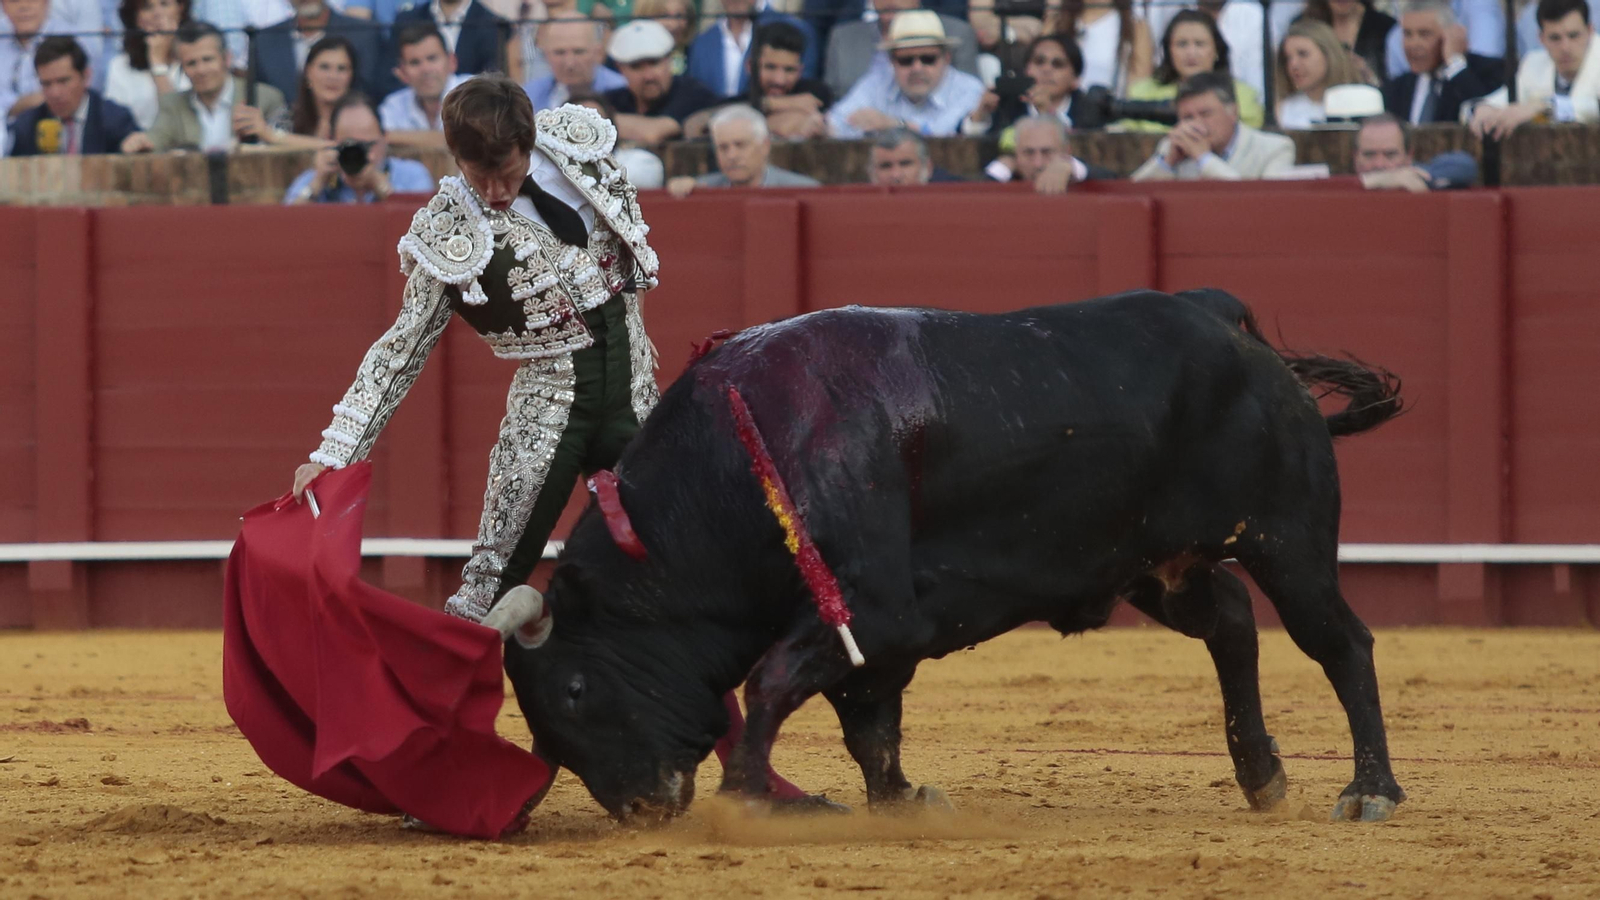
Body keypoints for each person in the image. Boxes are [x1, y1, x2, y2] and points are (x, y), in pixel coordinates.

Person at [289, 76, 815, 830]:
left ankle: (749, 770)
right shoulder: (446, 231)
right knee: (485, 593)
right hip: (548, 415)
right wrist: (336, 449)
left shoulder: (581, 148)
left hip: (636, 402)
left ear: (530, 143)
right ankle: (448, 779)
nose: (495, 192)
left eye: (505, 171)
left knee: (694, 579)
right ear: (454, 158)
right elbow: (399, 350)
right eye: (477, 175)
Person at [1130, 71, 1295, 180]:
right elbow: (1132, 198)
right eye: (1188, 117)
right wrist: (1167, 162)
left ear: (1233, 112)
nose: (1196, 124)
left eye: (1205, 114)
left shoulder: (1275, 149)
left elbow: (1264, 204)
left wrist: (1204, 159)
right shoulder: (1174, 147)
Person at [1121, 10, 1264, 132]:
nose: (1191, 53)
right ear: (1169, 51)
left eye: (1200, 44)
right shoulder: (1142, 94)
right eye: (1182, 44)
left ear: (1216, 50)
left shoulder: (1242, 96)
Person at [283, 93, 436, 202]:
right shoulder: (317, 178)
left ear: (384, 138)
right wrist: (317, 184)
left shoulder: (411, 175)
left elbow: (423, 228)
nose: (358, 153)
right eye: (349, 145)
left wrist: (382, 187)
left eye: (367, 145)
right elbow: (287, 225)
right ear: (332, 143)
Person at [9, 35, 143, 155]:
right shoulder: (27, 126)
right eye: (46, 84)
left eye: (63, 81)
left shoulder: (114, 120)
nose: (55, 93)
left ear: (86, 77)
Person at [104, 0, 193, 130]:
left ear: (180, 9)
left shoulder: (196, 59)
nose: (157, 13)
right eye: (147, 7)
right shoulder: (120, 65)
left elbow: (179, 125)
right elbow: (116, 124)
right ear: (136, 19)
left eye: (164, 4)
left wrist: (157, 63)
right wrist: (156, 59)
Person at [1353, 111, 1477, 190]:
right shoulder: (1344, 187)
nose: (1379, 164)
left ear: (1408, 156)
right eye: (1369, 155)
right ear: (1356, 157)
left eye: (1390, 155)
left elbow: (1465, 166)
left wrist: (1421, 177)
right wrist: (1365, 182)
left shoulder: (1415, 175)